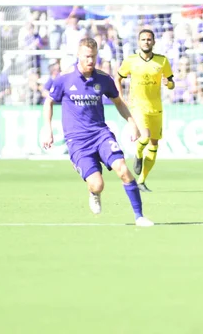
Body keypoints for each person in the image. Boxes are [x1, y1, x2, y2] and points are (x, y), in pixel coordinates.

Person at [41, 38, 153, 227]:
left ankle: (139, 216)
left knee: (123, 170)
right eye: (86, 57)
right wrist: (47, 128)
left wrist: (132, 123)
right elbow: (49, 102)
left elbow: (119, 102)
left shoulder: (104, 79)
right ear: (78, 56)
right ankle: (94, 192)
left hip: (101, 134)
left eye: (93, 57)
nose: (90, 61)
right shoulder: (65, 79)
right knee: (98, 184)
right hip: (77, 141)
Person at [115, 29, 175, 193]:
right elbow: (118, 78)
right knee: (145, 137)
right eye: (143, 39)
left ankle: (142, 180)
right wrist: (120, 97)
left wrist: (167, 83)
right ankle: (139, 153)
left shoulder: (162, 61)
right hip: (137, 106)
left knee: (154, 144)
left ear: (154, 42)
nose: (146, 42)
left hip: (156, 107)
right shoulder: (131, 61)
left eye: (149, 39)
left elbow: (171, 83)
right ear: (138, 42)